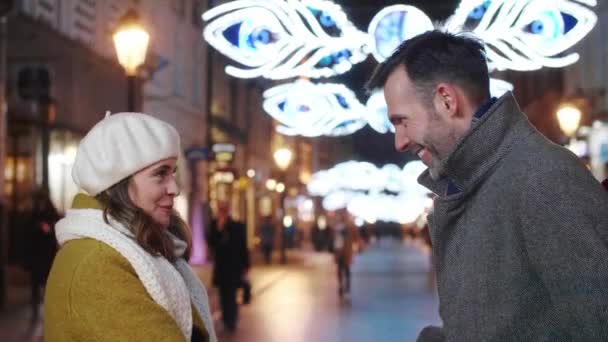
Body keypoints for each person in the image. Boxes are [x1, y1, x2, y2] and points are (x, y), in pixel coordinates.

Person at [366, 30, 608, 341]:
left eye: (401, 121)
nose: (399, 142)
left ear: (447, 101)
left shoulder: (541, 178)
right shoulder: (477, 182)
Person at [44, 112, 216, 342]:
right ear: (118, 183)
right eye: (160, 174)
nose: (174, 188)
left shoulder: (134, 249)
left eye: (173, 172)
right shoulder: (98, 265)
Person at [207, 201, 250, 332]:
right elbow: (212, 243)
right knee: (223, 294)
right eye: (220, 210)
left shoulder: (237, 226)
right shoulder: (214, 225)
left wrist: (246, 265)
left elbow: (243, 247)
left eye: (224, 209)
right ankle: (226, 318)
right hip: (221, 268)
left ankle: (231, 320)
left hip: (234, 267)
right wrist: (219, 229)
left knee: (231, 295)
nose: (222, 212)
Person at [24, 189, 60, 321]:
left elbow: (55, 226)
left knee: (47, 283)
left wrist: (47, 228)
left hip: (46, 253)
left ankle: (48, 311)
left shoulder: (50, 212)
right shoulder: (33, 213)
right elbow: (27, 232)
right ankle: (35, 311)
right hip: (36, 253)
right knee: (34, 284)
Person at [331, 209, 359, 299]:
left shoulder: (350, 226)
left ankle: (347, 285)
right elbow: (332, 237)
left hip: (346, 251)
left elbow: (356, 237)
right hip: (338, 250)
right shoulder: (336, 226)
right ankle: (341, 286)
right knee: (339, 268)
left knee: (346, 268)